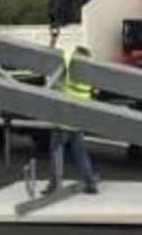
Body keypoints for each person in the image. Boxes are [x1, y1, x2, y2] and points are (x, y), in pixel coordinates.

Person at [42, 46, 99, 195]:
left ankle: (54, 184)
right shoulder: (87, 78)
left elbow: (54, 85)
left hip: (62, 120)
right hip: (77, 121)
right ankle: (90, 183)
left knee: (55, 152)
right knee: (81, 154)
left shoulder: (68, 74)